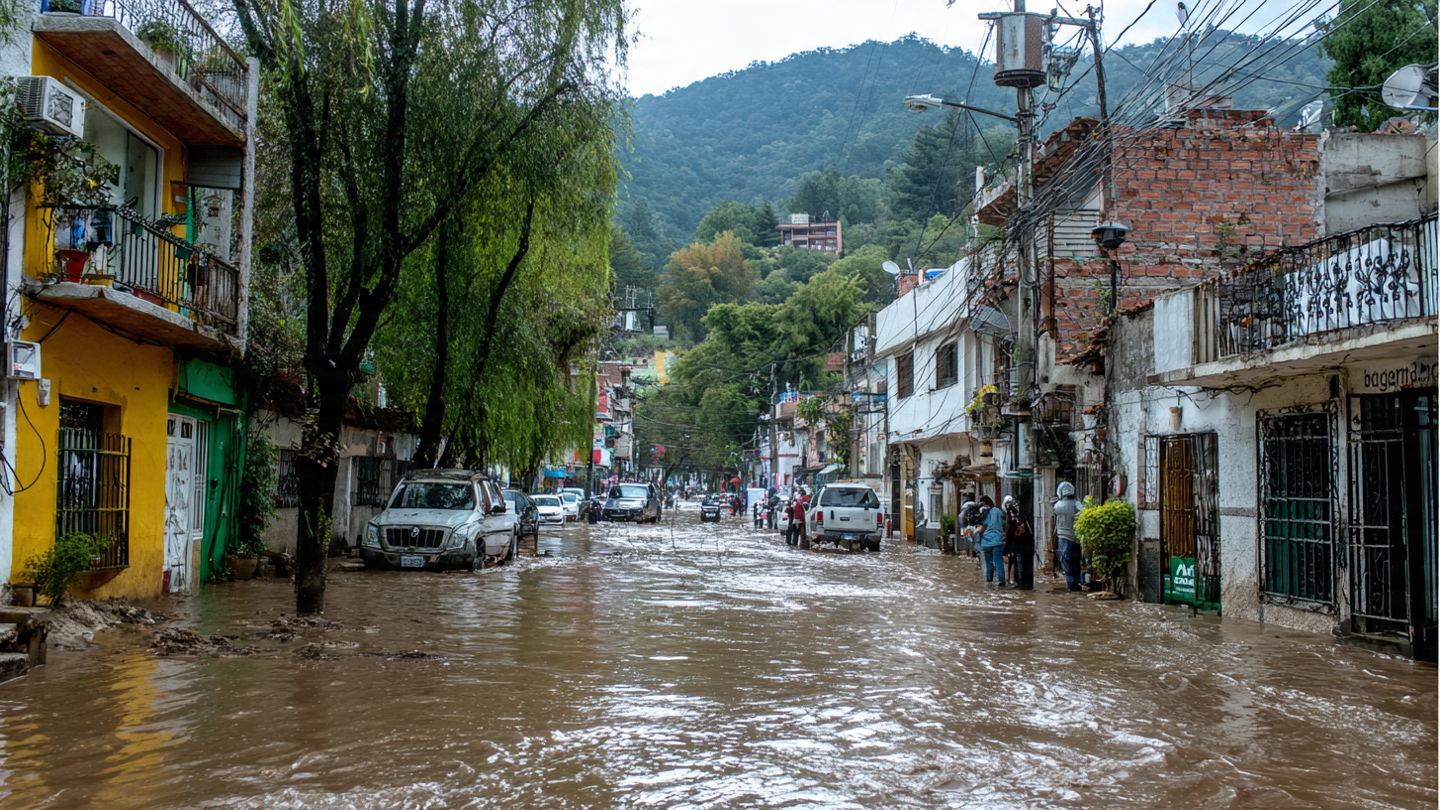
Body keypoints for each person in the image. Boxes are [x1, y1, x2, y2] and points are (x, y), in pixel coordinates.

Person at [1053, 482, 1083, 592]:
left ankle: (1072, 587)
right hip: (1076, 538)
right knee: (1075, 562)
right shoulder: (1077, 504)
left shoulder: (1057, 505)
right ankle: (1077, 585)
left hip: (1063, 538)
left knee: (1066, 563)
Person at [1003, 496, 1035, 590]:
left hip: (1020, 543)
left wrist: (1008, 545)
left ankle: (1022, 584)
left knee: (1020, 563)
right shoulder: (1025, 516)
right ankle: (1028, 585)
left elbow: (1010, 532)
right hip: (1028, 542)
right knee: (1027, 564)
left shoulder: (1014, 517)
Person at [977, 495, 1006, 585]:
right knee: (999, 561)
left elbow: (981, 526)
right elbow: (1004, 523)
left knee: (989, 562)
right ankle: (1001, 582)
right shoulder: (999, 511)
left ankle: (989, 581)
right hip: (998, 540)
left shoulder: (983, 513)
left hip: (986, 541)